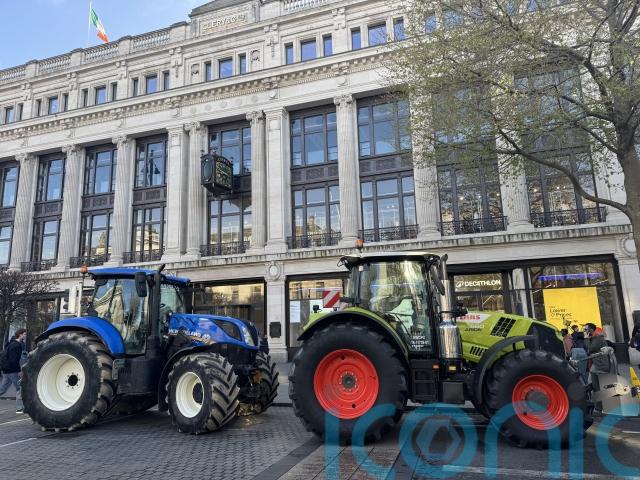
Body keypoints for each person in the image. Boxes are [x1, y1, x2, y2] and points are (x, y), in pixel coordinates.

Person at [0, 329, 27, 413]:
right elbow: (14, 360)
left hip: (5, 369)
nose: (25, 336)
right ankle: (19, 408)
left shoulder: (10, 343)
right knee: (20, 387)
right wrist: (19, 371)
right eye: (24, 334)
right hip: (12, 370)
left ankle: (20, 408)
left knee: (3, 389)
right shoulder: (16, 345)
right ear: (20, 335)